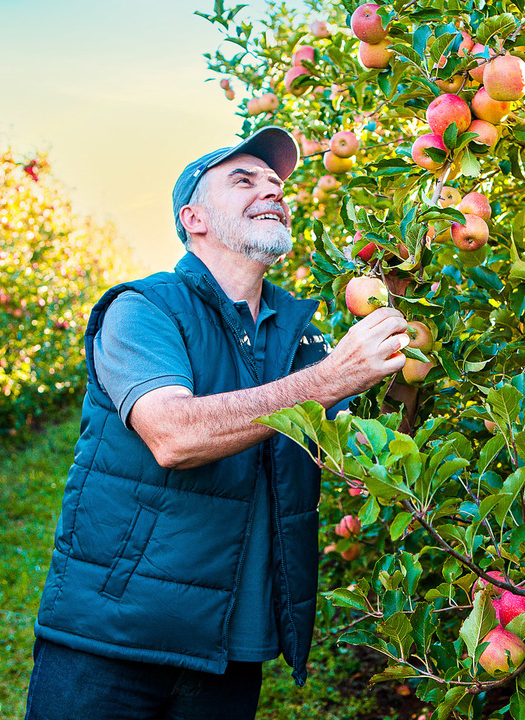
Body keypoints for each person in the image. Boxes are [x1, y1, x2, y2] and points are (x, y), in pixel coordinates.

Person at [24, 126, 410, 719]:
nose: (272, 191)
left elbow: (365, 451)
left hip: (234, 641)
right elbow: (173, 434)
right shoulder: (144, 309)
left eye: (277, 183)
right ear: (194, 218)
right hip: (117, 633)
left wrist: (405, 310)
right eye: (243, 179)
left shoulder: (301, 336)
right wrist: (332, 378)